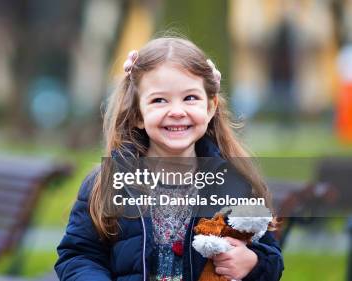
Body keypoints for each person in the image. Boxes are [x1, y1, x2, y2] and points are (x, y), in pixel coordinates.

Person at [55, 37, 284, 281]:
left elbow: (270, 254)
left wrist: (254, 263)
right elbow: (79, 255)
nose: (176, 111)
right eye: (159, 100)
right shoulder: (109, 183)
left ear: (210, 107)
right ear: (137, 115)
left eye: (190, 98)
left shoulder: (233, 182)